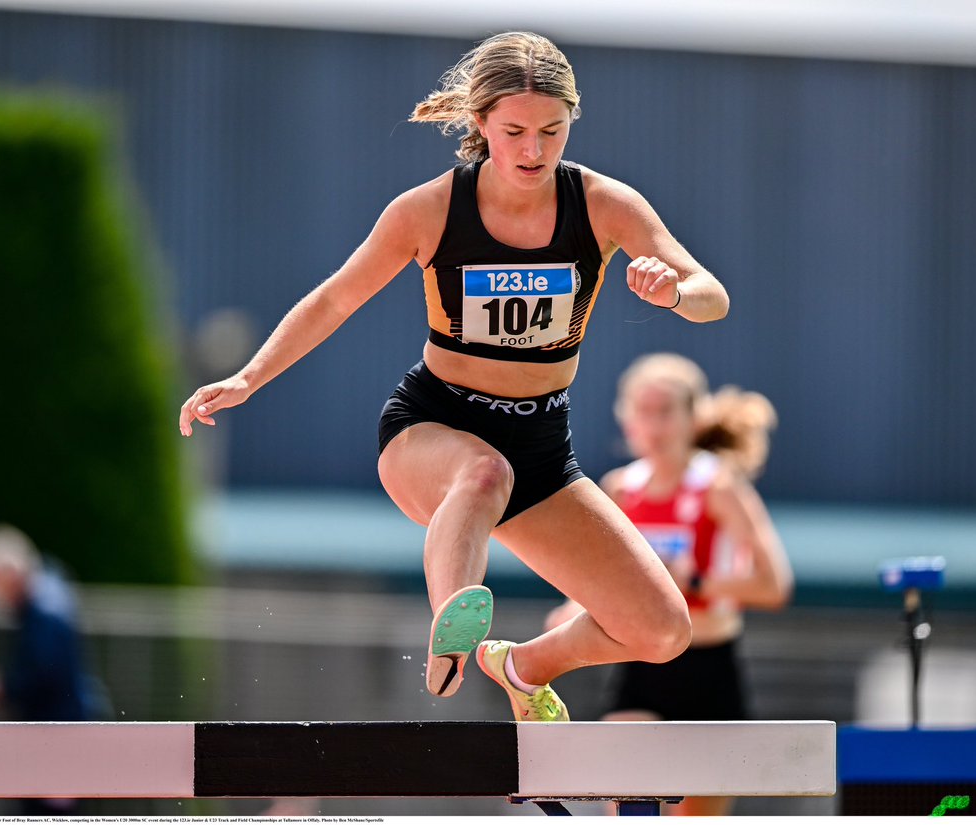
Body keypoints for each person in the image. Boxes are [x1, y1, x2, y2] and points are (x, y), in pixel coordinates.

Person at [178, 32, 730, 722]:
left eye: (552, 132)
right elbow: (334, 299)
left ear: (572, 122)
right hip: (432, 428)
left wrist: (674, 292)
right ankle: (452, 628)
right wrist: (249, 377)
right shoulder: (429, 211)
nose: (534, 151)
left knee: (662, 628)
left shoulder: (604, 205)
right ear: (480, 125)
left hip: (542, 450)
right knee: (481, 473)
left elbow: (713, 294)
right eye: (515, 132)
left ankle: (523, 666)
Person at [546, 353, 793, 814]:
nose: (654, 425)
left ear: (693, 418)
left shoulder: (719, 488)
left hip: (708, 670)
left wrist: (695, 580)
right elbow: (593, 579)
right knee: (626, 799)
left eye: (665, 411)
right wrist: (569, 611)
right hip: (643, 667)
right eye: (643, 411)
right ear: (626, 419)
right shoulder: (619, 489)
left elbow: (774, 585)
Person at [0, 523, 102, 816]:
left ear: (6, 574)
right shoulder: (51, 590)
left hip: (56, 745)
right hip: (63, 739)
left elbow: (40, 678)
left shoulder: (42, 613)